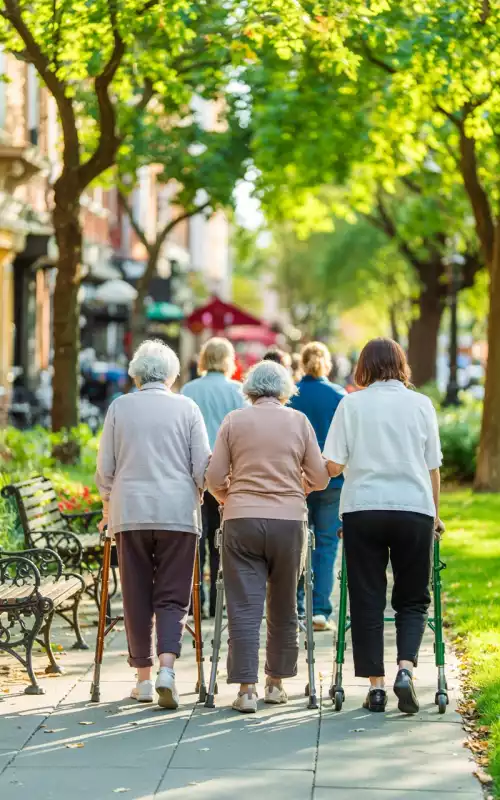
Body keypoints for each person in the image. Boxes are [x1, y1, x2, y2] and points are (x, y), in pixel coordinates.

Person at [323, 337, 443, 715]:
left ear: (364, 367)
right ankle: (405, 668)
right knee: (412, 597)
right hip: (413, 509)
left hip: (364, 509)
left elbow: (334, 466)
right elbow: (432, 467)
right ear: (401, 364)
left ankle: (375, 686)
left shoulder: (351, 404)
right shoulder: (421, 404)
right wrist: (435, 514)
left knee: (366, 597)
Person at [206, 360, 329, 713]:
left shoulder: (234, 421)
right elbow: (320, 478)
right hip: (288, 522)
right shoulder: (299, 422)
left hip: (241, 520)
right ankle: (275, 684)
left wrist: (229, 495)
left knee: (243, 607)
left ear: (250, 388)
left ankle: (246, 689)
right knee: (284, 603)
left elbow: (214, 476)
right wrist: (298, 488)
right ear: (285, 389)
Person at [95, 340, 211, 709]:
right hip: (177, 513)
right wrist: (200, 491)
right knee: (173, 594)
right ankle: (167, 669)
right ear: (173, 374)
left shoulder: (120, 407)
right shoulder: (188, 407)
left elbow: (105, 470)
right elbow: (201, 467)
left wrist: (106, 507)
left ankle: (143, 679)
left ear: (136, 374)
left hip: (130, 512)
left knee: (135, 591)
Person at [181, 338, 246, 616]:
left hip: (194, 474)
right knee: (223, 538)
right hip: (228, 475)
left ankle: (198, 598)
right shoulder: (238, 391)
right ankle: (220, 599)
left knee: (198, 537)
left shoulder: (189, 389)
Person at [289, 342, 345, 631]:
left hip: (296, 480)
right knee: (327, 543)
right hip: (333, 479)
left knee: (298, 542)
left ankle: (298, 606)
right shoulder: (339, 396)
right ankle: (321, 609)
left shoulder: (291, 395)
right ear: (328, 364)